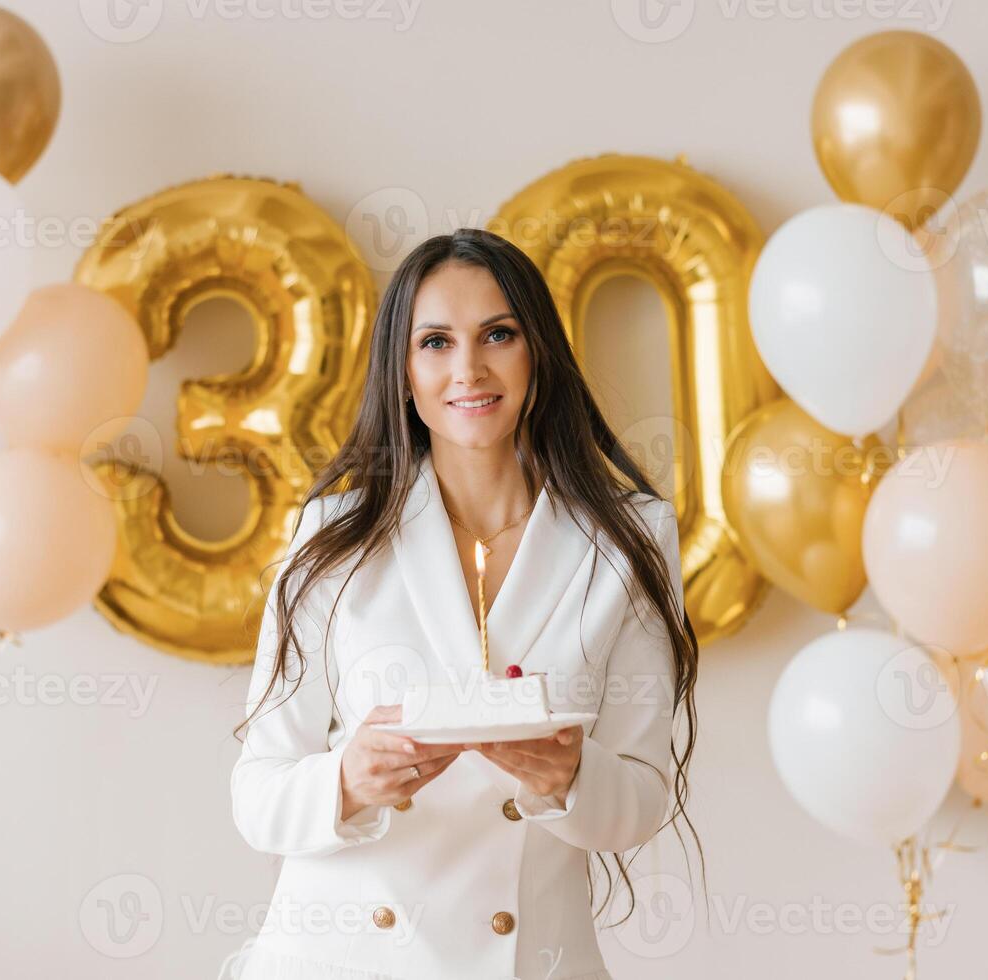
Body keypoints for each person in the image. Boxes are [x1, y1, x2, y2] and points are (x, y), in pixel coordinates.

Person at [224, 228, 701, 980]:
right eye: (436, 342)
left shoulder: (628, 538)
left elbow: (640, 801)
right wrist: (348, 780)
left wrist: (568, 776)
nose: (469, 369)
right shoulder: (334, 537)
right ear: (403, 371)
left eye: (498, 335)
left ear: (536, 351)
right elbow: (257, 795)